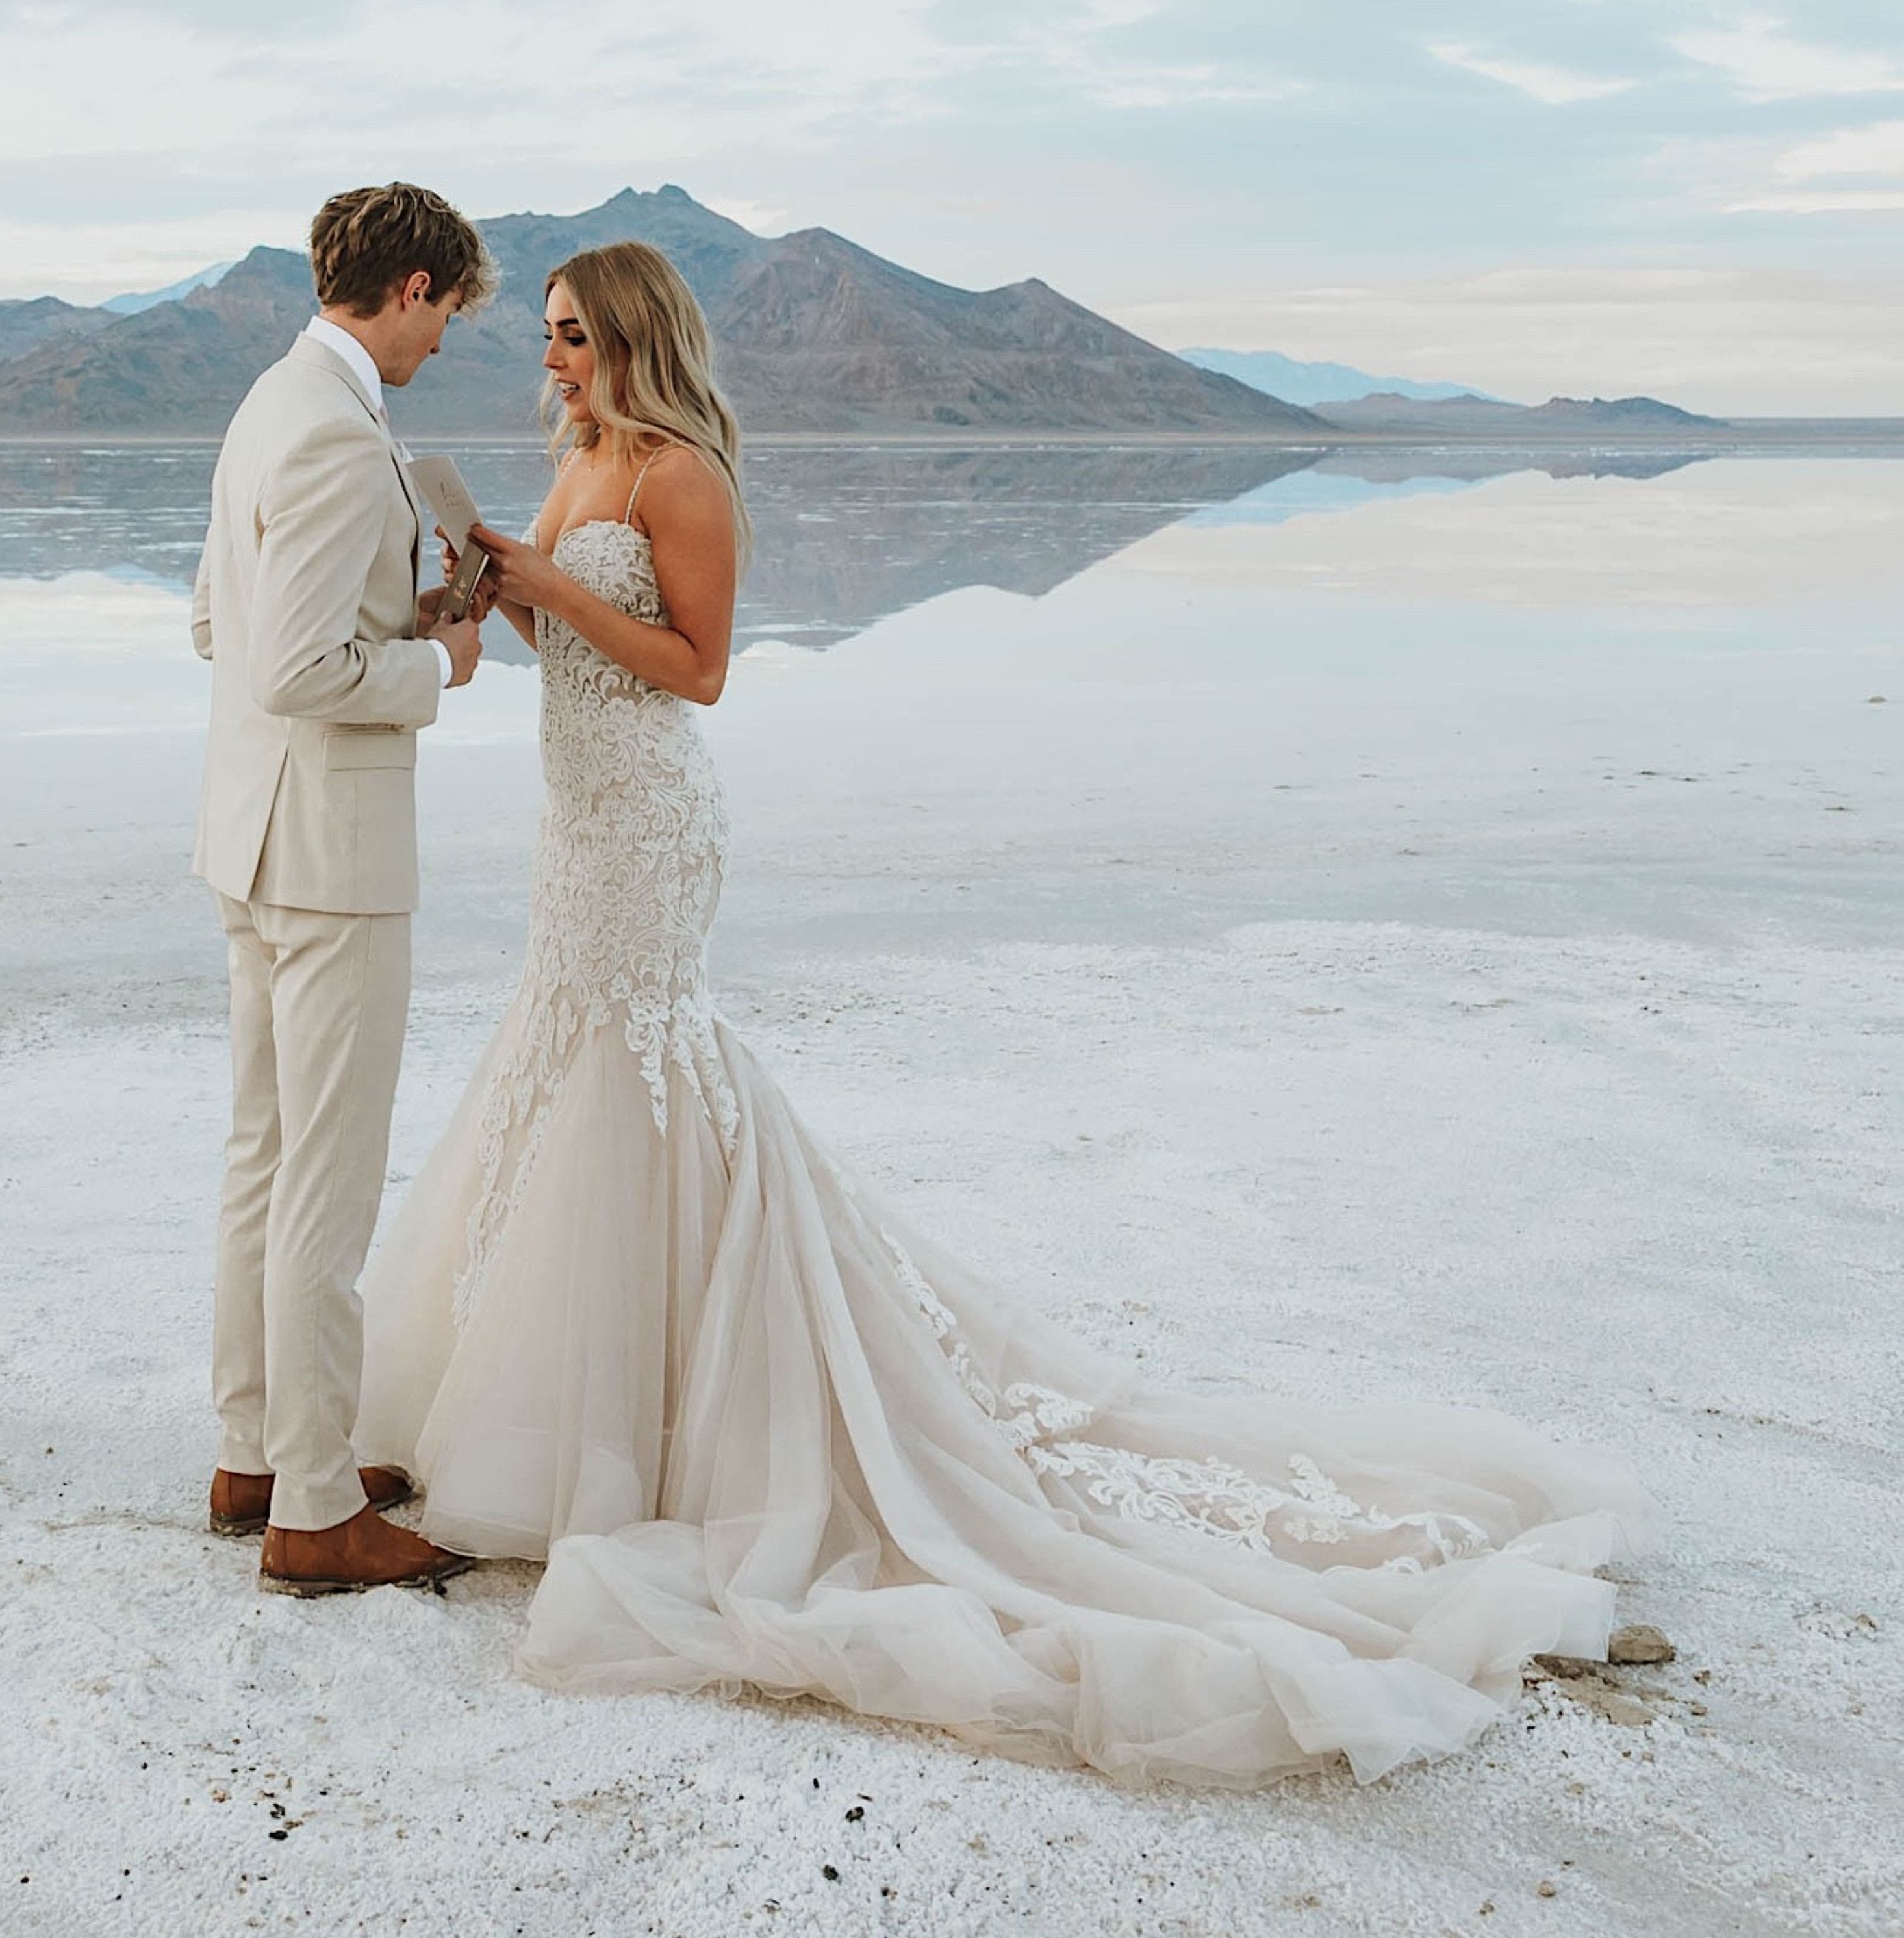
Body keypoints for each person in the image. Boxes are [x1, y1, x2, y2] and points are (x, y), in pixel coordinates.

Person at [355, 238, 1641, 1785]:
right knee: (567, 1075)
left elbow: (698, 676)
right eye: (545, 335)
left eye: (570, 336)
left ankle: (678, 1432)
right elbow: (565, 646)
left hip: (651, 834)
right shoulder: (574, 470)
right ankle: (585, 1410)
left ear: (631, 335)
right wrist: (487, 595)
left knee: (645, 1081)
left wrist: (553, 576)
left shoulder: (681, 474)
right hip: (577, 831)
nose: (548, 358)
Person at [190, 181, 491, 1597]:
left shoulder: (270, 405)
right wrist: (437, 667)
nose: (446, 346)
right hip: (327, 858)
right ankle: (313, 1509)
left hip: (251, 840)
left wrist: (404, 617)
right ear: (417, 284)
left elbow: (218, 621)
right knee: (326, 1171)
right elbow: (296, 670)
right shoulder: (329, 430)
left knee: (264, 1154)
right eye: (452, 316)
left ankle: (259, 1450)